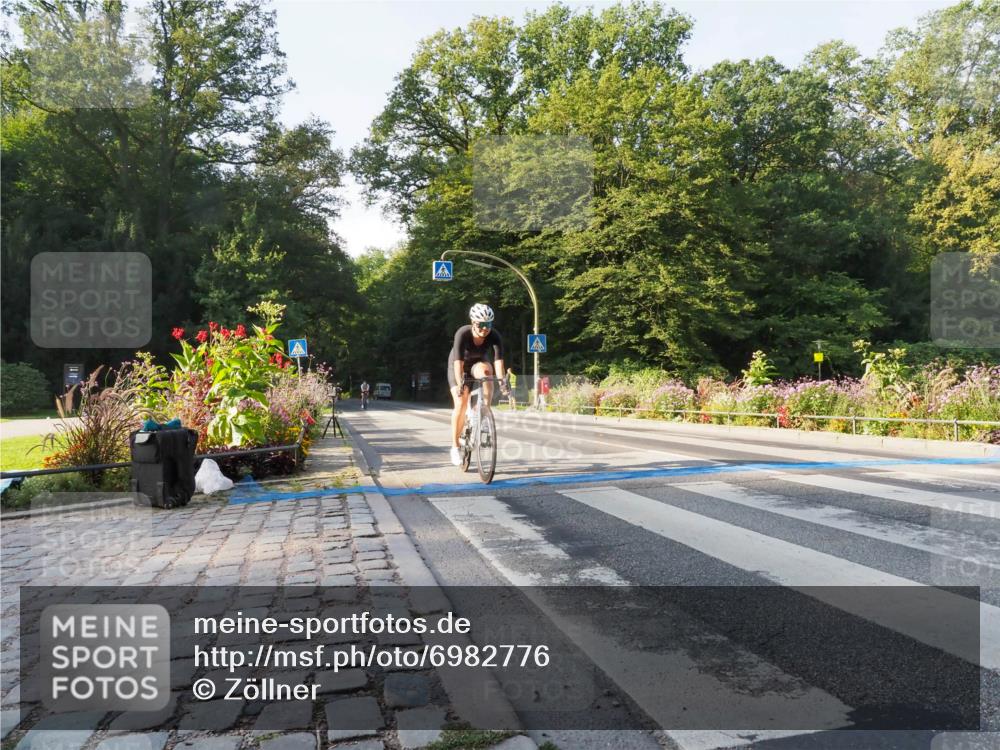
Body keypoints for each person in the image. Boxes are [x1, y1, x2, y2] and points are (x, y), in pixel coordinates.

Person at [448, 303, 509, 466]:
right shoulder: (462, 333)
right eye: (481, 325)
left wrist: (502, 381)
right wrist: (461, 383)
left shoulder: (494, 335)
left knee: (488, 372)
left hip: (477, 364)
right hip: (459, 365)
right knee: (461, 402)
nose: (485, 329)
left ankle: (484, 412)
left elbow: (498, 362)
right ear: (473, 323)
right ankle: (454, 447)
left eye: (488, 325)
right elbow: (458, 364)